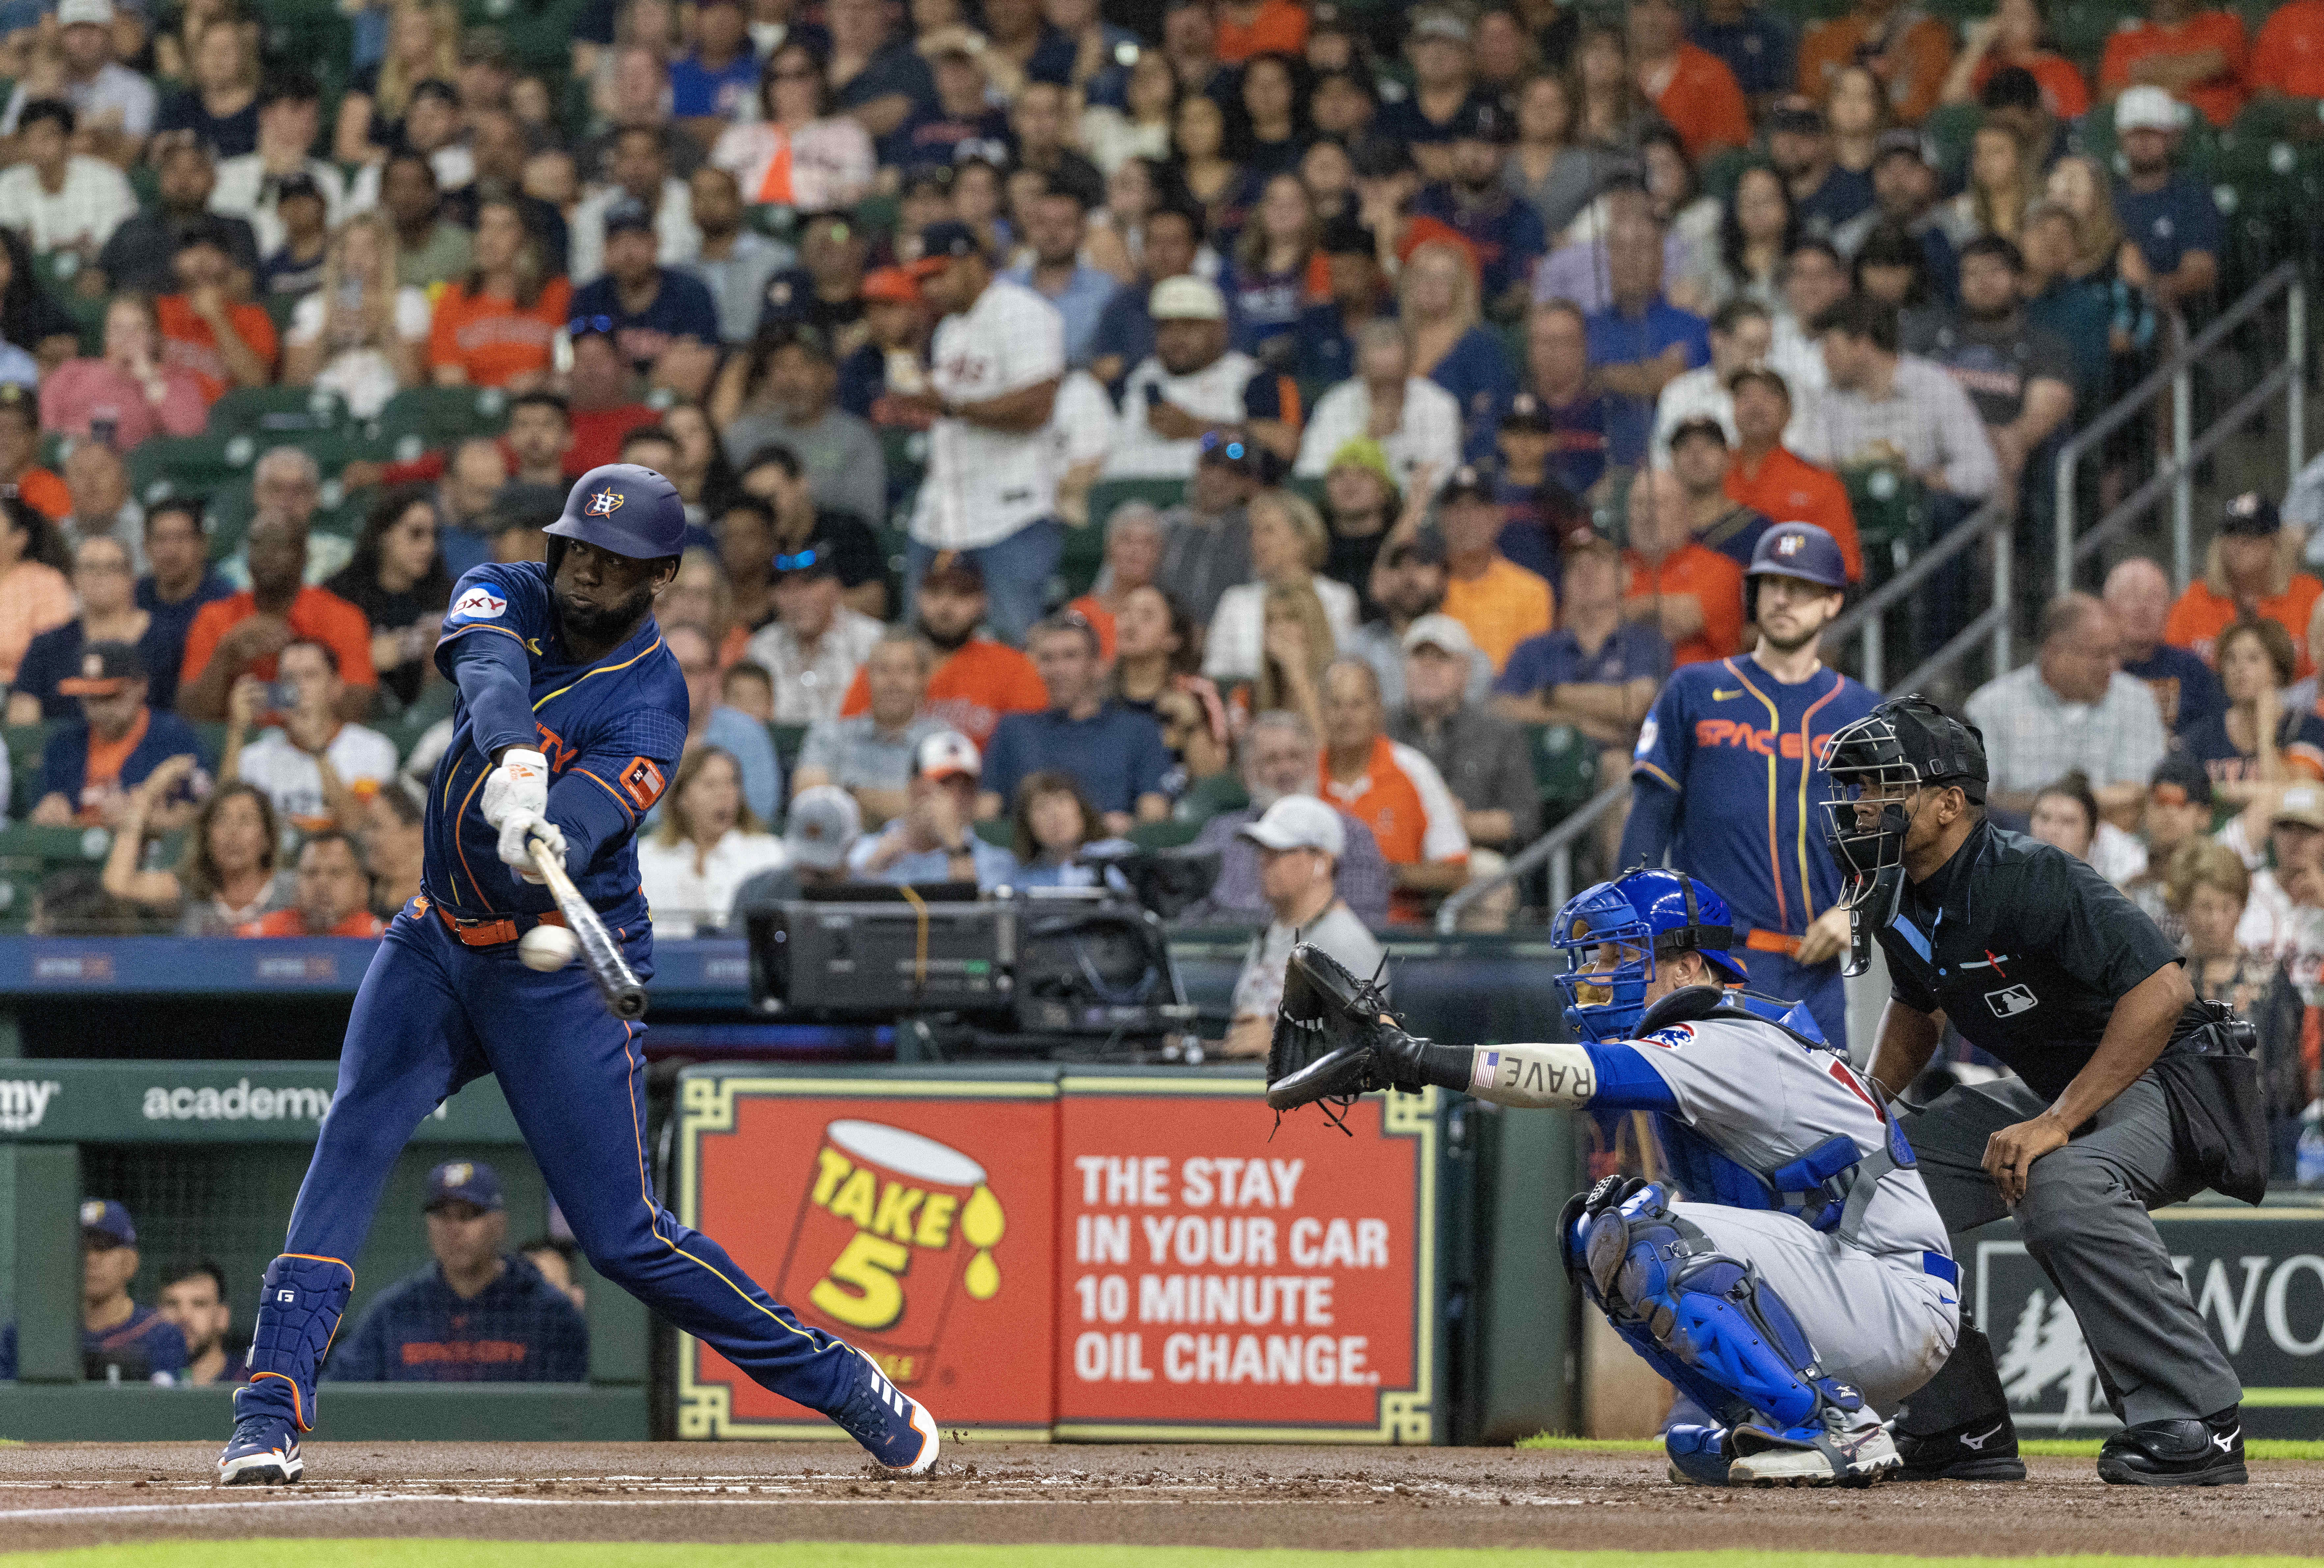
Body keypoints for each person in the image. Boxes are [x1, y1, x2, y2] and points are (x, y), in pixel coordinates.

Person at [217, 464, 942, 1485]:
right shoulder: (505, 589)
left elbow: (604, 812)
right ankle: (268, 1413)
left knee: (623, 1240)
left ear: (659, 577)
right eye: (581, 551)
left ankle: (840, 1382)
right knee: (351, 1136)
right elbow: (487, 675)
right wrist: (514, 760)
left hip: (555, 971)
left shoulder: (654, 700)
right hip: (435, 940)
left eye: (618, 562)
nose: (590, 573)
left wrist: (548, 824)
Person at [1279, 864, 1956, 1486]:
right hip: (1854, 1288)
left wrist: (1416, 1058)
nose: (1597, 974)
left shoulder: (1724, 1037)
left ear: (1688, 966)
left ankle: (1835, 1425)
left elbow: (1579, 1076)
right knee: (1591, 1228)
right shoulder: (1721, 1032)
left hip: (1887, 1296)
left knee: (1631, 1223)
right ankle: (1772, 1421)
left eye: (1616, 955)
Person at [1826, 695, 2254, 1486]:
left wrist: (2056, 1120)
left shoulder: (2029, 874)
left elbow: (2161, 991)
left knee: (2058, 1178)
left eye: (1880, 785)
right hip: (2071, 1091)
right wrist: (1865, 1101)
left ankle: (2197, 1421)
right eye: (1853, 787)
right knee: (1875, 1170)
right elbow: (1916, 1011)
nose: (1858, 803)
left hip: (2177, 1080)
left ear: (1947, 803)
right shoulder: (1895, 889)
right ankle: (1956, 1423)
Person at [1615, 523, 1878, 1044]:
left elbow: (1892, 842)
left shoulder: (1862, 712)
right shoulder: (1694, 688)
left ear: (1831, 603)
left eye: (1800, 587)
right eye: (1770, 584)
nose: (1782, 599)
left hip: (1816, 970)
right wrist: (1627, 930)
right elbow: (1647, 823)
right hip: (1715, 965)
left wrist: (1855, 911)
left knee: (1822, 1124)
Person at [324, 1160, 589, 1384]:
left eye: (467, 1215)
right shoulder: (396, 1311)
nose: (454, 1229)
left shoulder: (548, 1312)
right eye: (443, 1216)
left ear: (499, 1224)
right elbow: (340, 1396)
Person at [1903, 236, 2076, 509]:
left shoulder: (2043, 344)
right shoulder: (1931, 336)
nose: (1983, 282)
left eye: (1995, 271)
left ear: (2018, 279)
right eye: (1972, 273)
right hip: (1933, 455)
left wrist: (1996, 448)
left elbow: (2045, 409)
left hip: (2007, 460)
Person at [1965, 593, 2169, 819]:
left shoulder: (2136, 699)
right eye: (2100, 654)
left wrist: (2042, 807)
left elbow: (2138, 794)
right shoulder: (1991, 707)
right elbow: (1981, 799)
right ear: (2054, 653)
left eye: (2115, 652)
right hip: (2016, 843)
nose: (2113, 665)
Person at [1221, 796, 1388, 1058]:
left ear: (1322, 862)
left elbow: (1366, 1050)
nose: (1265, 861)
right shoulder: (1273, 932)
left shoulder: (1345, 942)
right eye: (1262, 850)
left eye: (1280, 850)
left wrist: (1279, 1046)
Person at [1495, 535, 1672, 773]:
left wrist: (1552, 695)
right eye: (1575, 567)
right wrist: (1583, 725)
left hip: (1618, 767)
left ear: (1623, 577)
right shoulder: (1534, 649)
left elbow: (1634, 705)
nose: (1586, 573)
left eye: (1598, 564)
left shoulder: (1645, 642)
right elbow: (1502, 708)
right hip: (1542, 765)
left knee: (1616, 766)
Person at [833, 551, 1047, 748]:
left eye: (961, 595)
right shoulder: (886, 663)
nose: (946, 606)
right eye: (935, 593)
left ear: (983, 601)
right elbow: (849, 737)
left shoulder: (1012, 668)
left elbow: (1030, 747)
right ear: (918, 597)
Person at [980, 615, 1172, 833]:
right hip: (1031, 861)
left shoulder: (1138, 730)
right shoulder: (1014, 729)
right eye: (1047, 658)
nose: (1058, 669)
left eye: (1070, 656)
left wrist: (1118, 828)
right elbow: (986, 816)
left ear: (1098, 665)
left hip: (1110, 856)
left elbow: (1155, 816)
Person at [179, 515, 377, 724]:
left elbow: (359, 705)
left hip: (315, 746)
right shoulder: (215, 617)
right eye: (258, 545)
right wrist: (226, 655)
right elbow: (191, 714)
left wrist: (270, 696)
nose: (267, 556)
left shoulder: (342, 616)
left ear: (304, 557)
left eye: (278, 546)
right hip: (238, 747)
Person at [1809, 295, 1999, 506]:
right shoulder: (1830, 398)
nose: (1824, 358)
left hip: (1925, 515)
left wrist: (1918, 481)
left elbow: (1984, 471)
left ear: (1862, 346)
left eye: (1831, 348)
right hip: (1854, 515)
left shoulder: (1933, 385)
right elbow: (1818, 469)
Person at [1319, 657, 1470, 918]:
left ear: (1378, 709)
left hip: (1396, 937)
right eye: (1336, 704)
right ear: (1321, 711)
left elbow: (1455, 870)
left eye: (1357, 704)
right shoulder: (1304, 774)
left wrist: (1385, 873)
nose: (1346, 715)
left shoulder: (1413, 769)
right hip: (1315, 934)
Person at [1106, 277, 1295, 480]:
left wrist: (1200, 431)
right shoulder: (1138, 376)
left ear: (1219, 329)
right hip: (1133, 491)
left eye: (1190, 326)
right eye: (1166, 326)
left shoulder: (1250, 377)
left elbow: (1285, 445)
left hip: (1215, 498)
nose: (1176, 337)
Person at [1388, 615, 1538, 857]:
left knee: (1489, 878)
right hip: (1395, 851)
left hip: (1473, 855)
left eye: (1441, 658)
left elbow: (1524, 820)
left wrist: (1461, 822)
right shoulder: (1382, 728)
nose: (1429, 667)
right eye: (1419, 657)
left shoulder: (1498, 733)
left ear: (1465, 671)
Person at [220, 641, 399, 840]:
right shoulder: (253, 757)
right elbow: (222, 827)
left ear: (335, 688)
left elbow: (360, 830)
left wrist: (317, 747)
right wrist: (236, 730)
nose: (298, 689)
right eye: (289, 679)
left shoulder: (373, 749)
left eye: (310, 676)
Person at [0, 1200, 189, 1386]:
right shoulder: (28, 1334)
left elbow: (165, 1414)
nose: (90, 1259)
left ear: (131, 1262)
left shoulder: (162, 1335)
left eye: (103, 1247)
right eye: (80, 1248)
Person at [1585, 200, 1712, 469]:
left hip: (1671, 467)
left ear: (1661, 258)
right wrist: (1648, 374)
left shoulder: (1693, 327)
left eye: (1642, 249)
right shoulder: (1586, 326)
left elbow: (1671, 381)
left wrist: (1597, 374)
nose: (1631, 260)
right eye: (1621, 250)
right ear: (1607, 259)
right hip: (1594, 463)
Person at [30, 642, 208, 829]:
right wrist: (47, 815)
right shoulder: (64, 743)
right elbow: (38, 813)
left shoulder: (174, 738)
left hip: (145, 855)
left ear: (141, 687)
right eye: (90, 696)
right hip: (71, 856)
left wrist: (143, 818)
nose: (98, 708)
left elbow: (200, 813)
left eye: (110, 696)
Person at [102, 768, 290, 934]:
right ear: (206, 837)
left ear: (267, 838)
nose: (232, 833)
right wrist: (145, 799)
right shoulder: (189, 890)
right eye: (221, 820)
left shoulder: (291, 892)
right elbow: (119, 884)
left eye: (245, 820)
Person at [1204, 488, 1359, 685]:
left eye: (1269, 530)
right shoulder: (1236, 602)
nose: (1257, 541)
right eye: (1254, 531)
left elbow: (1345, 674)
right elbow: (1217, 676)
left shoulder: (1338, 598)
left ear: (1303, 538)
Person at [1722, 368, 1863, 584]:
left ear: (1788, 412)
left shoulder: (1820, 483)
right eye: (1744, 395)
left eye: (1769, 395)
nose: (1756, 405)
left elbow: (1845, 567)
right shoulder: (1708, 476)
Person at [793, 630, 946, 828]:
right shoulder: (830, 734)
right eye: (883, 670)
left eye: (905, 671)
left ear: (923, 680)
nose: (893, 682)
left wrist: (852, 792)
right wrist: (901, 804)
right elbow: (809, 800)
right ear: (867, 677)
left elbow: (943, 811)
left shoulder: (942, 739)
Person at [1294, 321, 1465, 497]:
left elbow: (1443, 476)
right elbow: (1311, 470)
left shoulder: (1437, 404)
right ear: (1359, 369)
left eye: (1394, 379)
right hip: (1343, 509)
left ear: (1410, 367)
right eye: (1377, 378)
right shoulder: (1336, 402)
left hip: (1418, 509)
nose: (1386, 389)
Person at [9, 537, 169, 723]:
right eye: (90, 567)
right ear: (74, 579)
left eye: (112, 567)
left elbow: (181, 717)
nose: (100, 576)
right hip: (65, 749)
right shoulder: (47, 646)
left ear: (132, 578)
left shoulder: (164, 639)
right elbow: (22, 724)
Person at [636, 747, 787, 938]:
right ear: (680, 797)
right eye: (710, 784)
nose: (724, 794)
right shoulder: (645, 858)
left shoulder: (769, 855)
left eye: (732, 784)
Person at [2167, 492, 2324, 674]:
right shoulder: (2194, 600)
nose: (2241, 541)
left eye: (2253, 532)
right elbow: (2173, 670)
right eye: (2233, 532)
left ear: (2276, 542)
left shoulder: (2310, 595)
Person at [326, 490, 454, 711]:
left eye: (434, 535)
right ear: (384, 535)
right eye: (416, 534)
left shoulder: (449, 595)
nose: (429, 547)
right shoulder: (341, 594)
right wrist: (363, 659)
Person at [426, 198, 571, 391]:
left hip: (541, 408)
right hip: (477, 413)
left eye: (503, 228)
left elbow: (568, 368)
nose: (488, 239)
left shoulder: (558, 294)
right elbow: (448, 377)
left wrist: (542, 381)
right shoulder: (453, 298)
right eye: (484, 227)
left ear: (526, 240)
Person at [742, 539, 884, 728]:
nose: (797, 599)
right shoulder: (760, 649)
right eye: (786, 589)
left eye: (807, 586)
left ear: (834, 588)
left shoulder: (873, 642)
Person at [849, 728, 1015, 888]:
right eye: (943, 785)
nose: (955, 798)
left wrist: (956, 846)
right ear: (915, 789)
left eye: (966, 789)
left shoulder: (995, 860)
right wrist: (876, 863)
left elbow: (976, 912)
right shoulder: (865, 848)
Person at [40, 294, 208, 452]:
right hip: (68, 464)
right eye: (117, 329)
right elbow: (45, 430)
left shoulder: (173, 380)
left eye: (136, 329)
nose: (126, 338)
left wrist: (150, 379)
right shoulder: (74, 372)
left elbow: (190, 432)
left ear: (153, 337)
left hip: (131, 471)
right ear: (106, 335)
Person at [1434, 463, 1554, 675]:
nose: (1466, 517)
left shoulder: (1532, 591)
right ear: (1442, 519)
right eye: (1456, 507)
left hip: (1505, 703)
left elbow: (1530, 675)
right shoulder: (1425, 587)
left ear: (1498, 516)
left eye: (1476, 507)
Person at [2182, 617, 2324, 795]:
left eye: (2253, 659)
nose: (2240, 668)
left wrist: (2266, 732)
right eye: (2231, 659)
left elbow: (2294, 799)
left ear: (2278, 672)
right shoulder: (2204, 733)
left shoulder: (2309, 728)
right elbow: (2181, 793)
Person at [2111, 86, 2224, 311]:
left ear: (2172, 138)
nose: (2143, 142)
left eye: (2153, 132)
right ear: (2121, 138)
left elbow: (2201, 272)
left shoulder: (2192, 198)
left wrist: (2147, 289)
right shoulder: (2109, 197)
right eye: (2135, 133)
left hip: (2171, 317)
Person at [1622, 469, 1747, 669]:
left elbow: (1689, 619)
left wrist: (1621, 609)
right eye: (1639, 503)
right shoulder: (1612, 565)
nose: (1649, 514)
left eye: (1661, 503)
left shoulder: (1721, 569)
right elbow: (1581, 624)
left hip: (1701, 693)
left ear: (1686, 513)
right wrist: (1659, 610)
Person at [156, 221, 279, 406]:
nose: (202, 258)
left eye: (213, 249)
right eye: (192, 249)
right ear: (176, 261)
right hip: (163, 416)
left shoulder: (254, 317)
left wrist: (217, 319)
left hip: (227, 421)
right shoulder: (155, 310)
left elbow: (257, 384)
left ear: (230, 262)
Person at [0, 98, 137, 259]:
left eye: (47, 137)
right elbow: (9, 248)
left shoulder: (107, 179)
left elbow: (119, 244)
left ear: (68, 140)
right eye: (30, 138)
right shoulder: (9, 183)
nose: (37, 147)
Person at [2107, 556, 2225, 738]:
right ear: (2108, 608)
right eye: (2131, 598)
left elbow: (2216, 731)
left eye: (2153, 599)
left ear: (2169, 609)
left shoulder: (2191, 669)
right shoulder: (2095, 670)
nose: (2142, 609)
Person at [1798, 0, 1955, 125]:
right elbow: (1811, 101)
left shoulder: (1930, 35)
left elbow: (1919, 107)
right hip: (1833, 141)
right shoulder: (1825, 38)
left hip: (1901, 143)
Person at [2102, 0, 2249, 128]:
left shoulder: (2223, 24)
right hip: (2150, 136)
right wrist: (2193, 72)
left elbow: (2217, 63)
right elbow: (2111, 96)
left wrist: (2149, 76)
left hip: (2217, 132)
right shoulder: (2125, 37)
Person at [236, 831, 388, 938]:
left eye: (336, 873)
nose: (322, 883)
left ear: (362, 887)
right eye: (311, 873)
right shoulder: (259, 938)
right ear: (295, 886)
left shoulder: (391, 945)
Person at [1668, 420, 1771, 570]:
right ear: (1672, 461)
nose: (1696, 455)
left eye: (1709, 446)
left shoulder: (1757, 529)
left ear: (1728, 459)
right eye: (1685, 447)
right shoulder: (1657, 529)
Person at [2029, 770, 2150, 887]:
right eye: (2044, 818)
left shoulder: (2128, 859)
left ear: (2094, 833)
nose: (2052, 831)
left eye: (2068, 822)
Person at [158, 1263, 246, 1387]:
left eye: (199, 1304)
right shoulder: (140, 1381)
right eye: (172, 1304)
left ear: (222, 1317)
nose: (184, 1316)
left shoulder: (253, 1383)